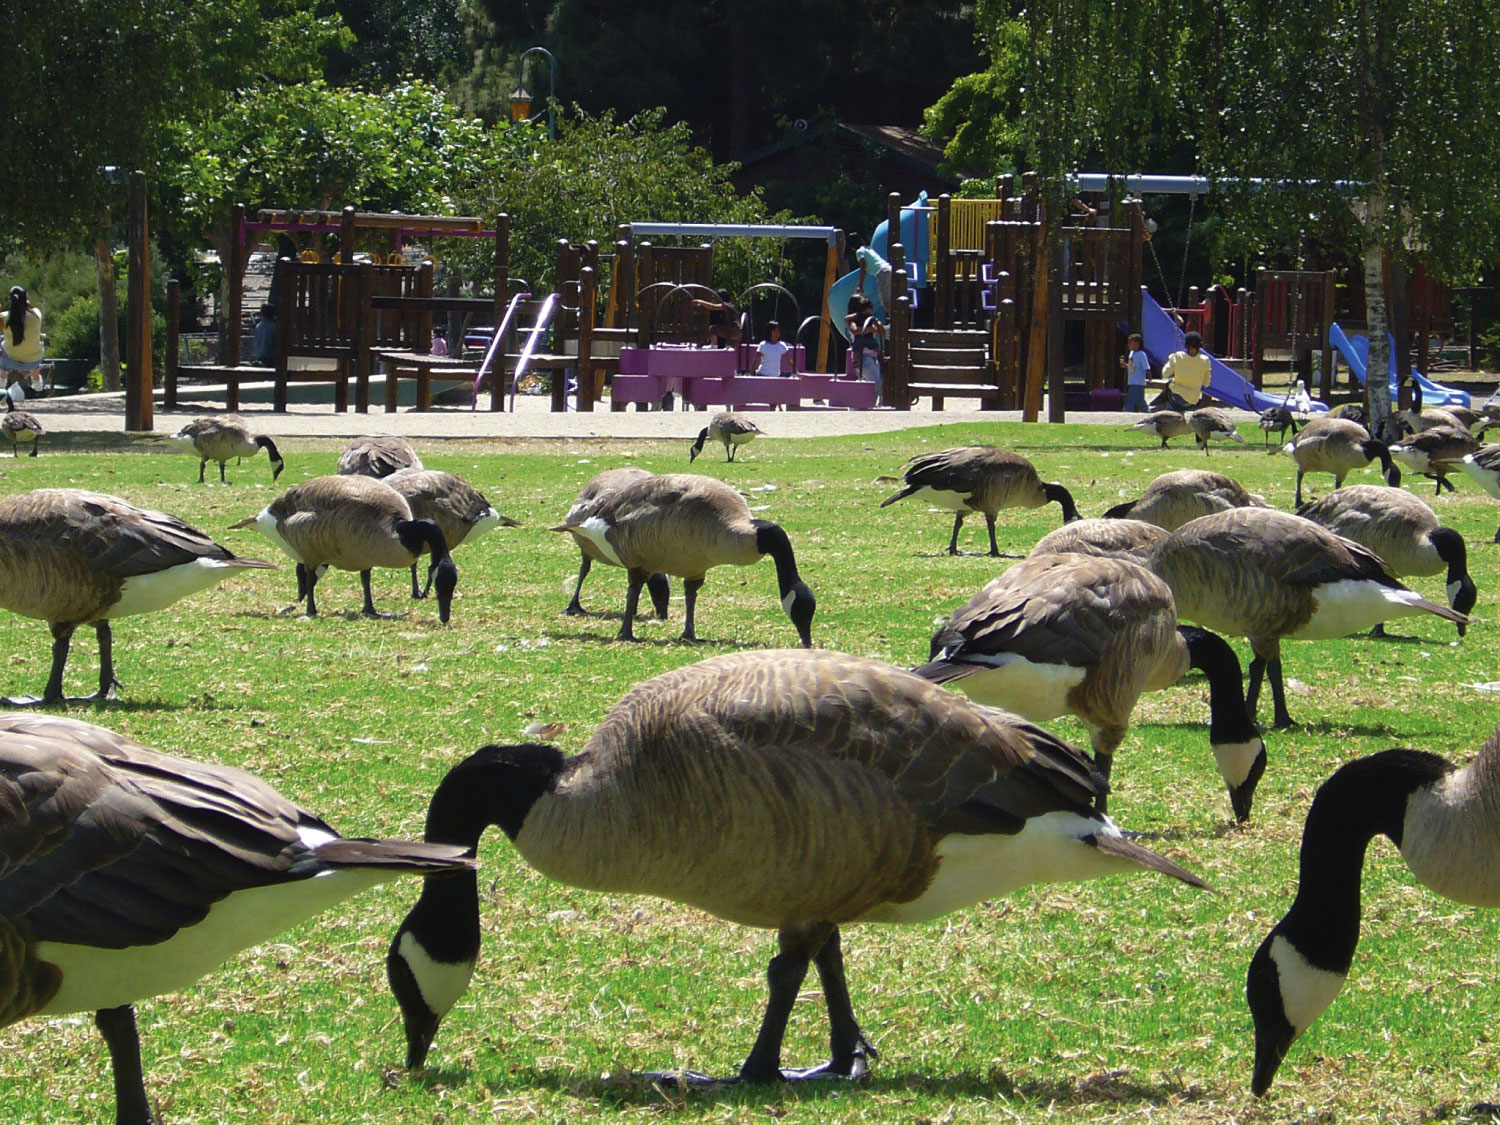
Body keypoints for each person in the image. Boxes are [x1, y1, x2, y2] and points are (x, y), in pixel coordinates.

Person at [1153, 330, 1211, 411]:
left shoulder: (1177, 356)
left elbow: (1165, 374)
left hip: (1176, 397)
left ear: (1186, 346)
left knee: (1170, 385)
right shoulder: (1206, 360)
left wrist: (1172, 361)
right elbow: (1206, 383)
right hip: (1193, 400)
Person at [0, 287, 44, 393]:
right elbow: (29, 309)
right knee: (38, 344)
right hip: (33, 362)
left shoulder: (4, 317)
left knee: (2, 342)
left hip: (10, 361)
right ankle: (36, 379)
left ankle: (2, 378)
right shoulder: (37, 314)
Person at [853, 241, 893, 315]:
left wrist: (860, 285)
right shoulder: (868, 248)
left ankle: (894, 321)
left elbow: (863, 268)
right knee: (892, 297)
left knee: (885, 300)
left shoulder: (859, 251)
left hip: (882, 273)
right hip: (889, 269)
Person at [1121, 332, 1150, 413]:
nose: (1128, 344)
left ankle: (1127, 412)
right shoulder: (1131, 354)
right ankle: (1147, 412)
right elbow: (1133, 367)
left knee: (1130, 399)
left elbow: (1146, 367)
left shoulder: (1141, 355)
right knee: (1140, 400)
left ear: (1137, 344)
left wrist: (1149, 378)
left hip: (1138, 382)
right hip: (1132, 381)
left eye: (1131, 342)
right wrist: (1126, 365)